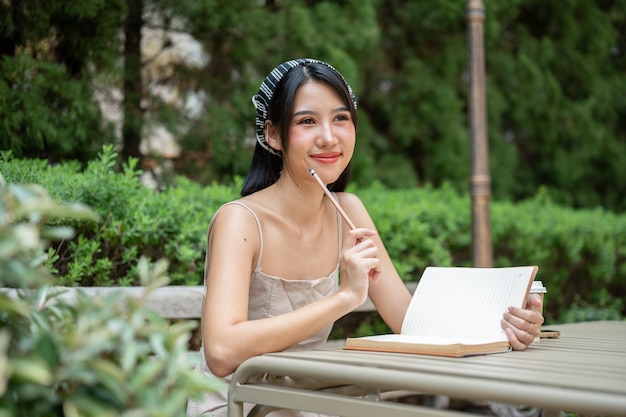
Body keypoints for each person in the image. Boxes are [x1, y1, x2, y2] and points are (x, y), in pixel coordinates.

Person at [187, 58, 544, 417]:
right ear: (274, 134)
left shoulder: (348, 212)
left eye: (340, 118)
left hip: (304, 402)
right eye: (307, 121)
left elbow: (410, 323)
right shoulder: (240, 221)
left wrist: (508, 323)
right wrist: (345, 296)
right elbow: (221, 353)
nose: (328, 137)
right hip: (239, 403)